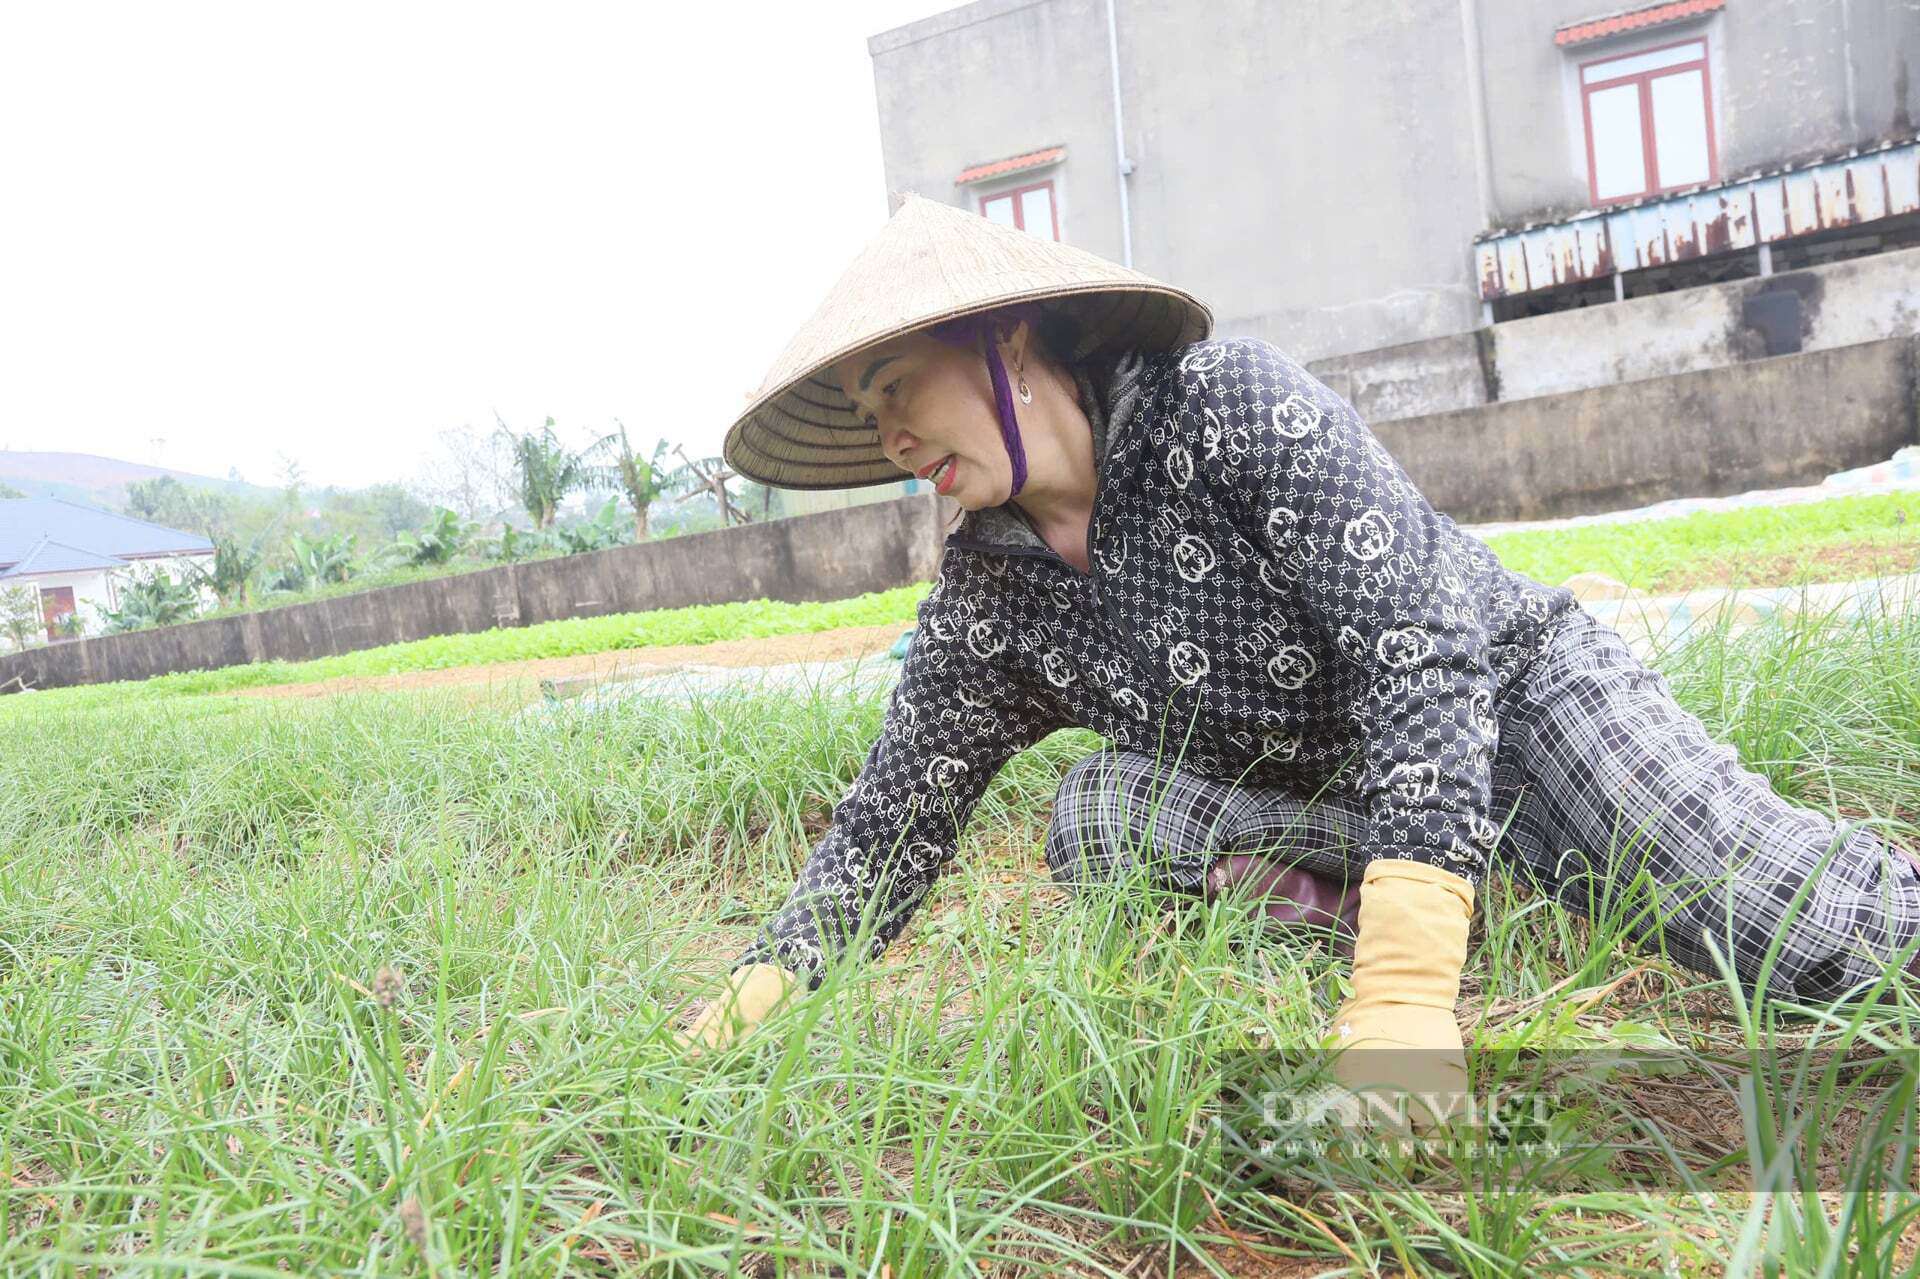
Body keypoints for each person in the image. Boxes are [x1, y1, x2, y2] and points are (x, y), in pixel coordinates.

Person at [678, 195, 1920, 1114]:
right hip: (1327, 809)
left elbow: (1421, 647)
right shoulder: (985, 600)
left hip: (1515, 716)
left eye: (897, 383)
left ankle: (1434, 918)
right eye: (866, 411)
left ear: (1007, 342)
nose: (890, 431)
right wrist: (759, 988)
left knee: (1828, 948)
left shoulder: (1224, 404)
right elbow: (896, 819)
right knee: (1099, 813)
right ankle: (1429, 901)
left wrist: (1402, 997)